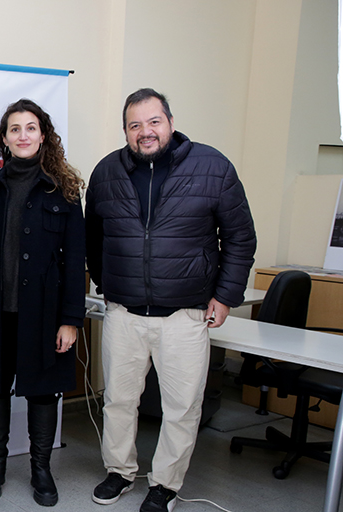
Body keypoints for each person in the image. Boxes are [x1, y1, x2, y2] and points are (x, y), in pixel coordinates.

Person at [85, 88, 256, 512]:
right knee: (118, 401)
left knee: (181, 407)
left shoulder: (213, 167)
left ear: (171, 123)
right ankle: (119, 471)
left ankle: (164, 485)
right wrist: (110, 285)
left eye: (153, 122)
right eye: (135, 125)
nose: (145, 132)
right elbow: (94, 239)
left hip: (185, 314)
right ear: (126, 130)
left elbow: (240, 238)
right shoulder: (106, 172)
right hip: (124, 313)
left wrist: (225, 296)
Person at [0, 99, 85, 507]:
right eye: (15, 129)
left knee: (43, 392)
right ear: (4, 138)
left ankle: (40, 468)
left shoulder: (63, 191)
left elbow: (75, 261)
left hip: (44, 316)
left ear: (42, 136)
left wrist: (71, 320)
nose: (23, 135)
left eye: (31, 128)